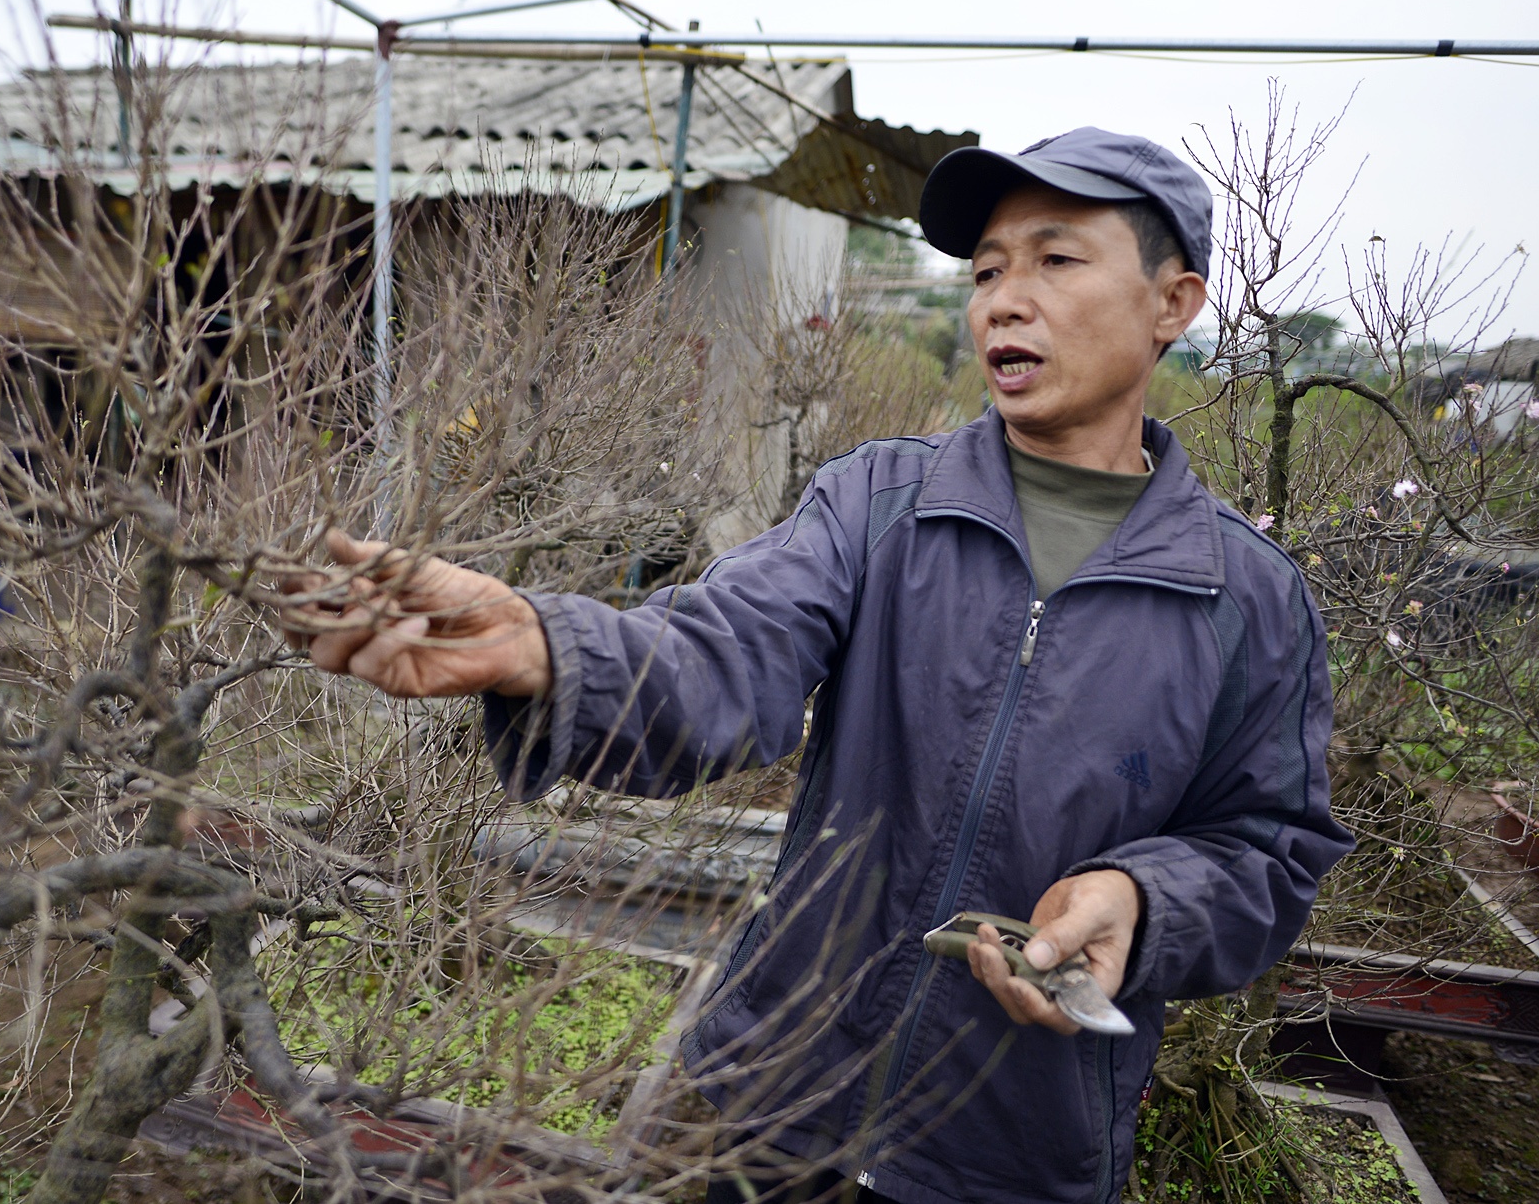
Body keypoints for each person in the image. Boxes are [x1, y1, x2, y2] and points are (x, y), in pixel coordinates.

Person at [287, 128, 1355, 1204]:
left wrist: (1142, 896)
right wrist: (549, 644)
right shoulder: (881, 504)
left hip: (1012, 1150)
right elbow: (728, 650)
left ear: (1173, 303)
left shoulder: (1248, 597)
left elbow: (1268, 847)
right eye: (986, 270)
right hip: (776, 1101)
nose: (1002, 300)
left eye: (1055, 259)